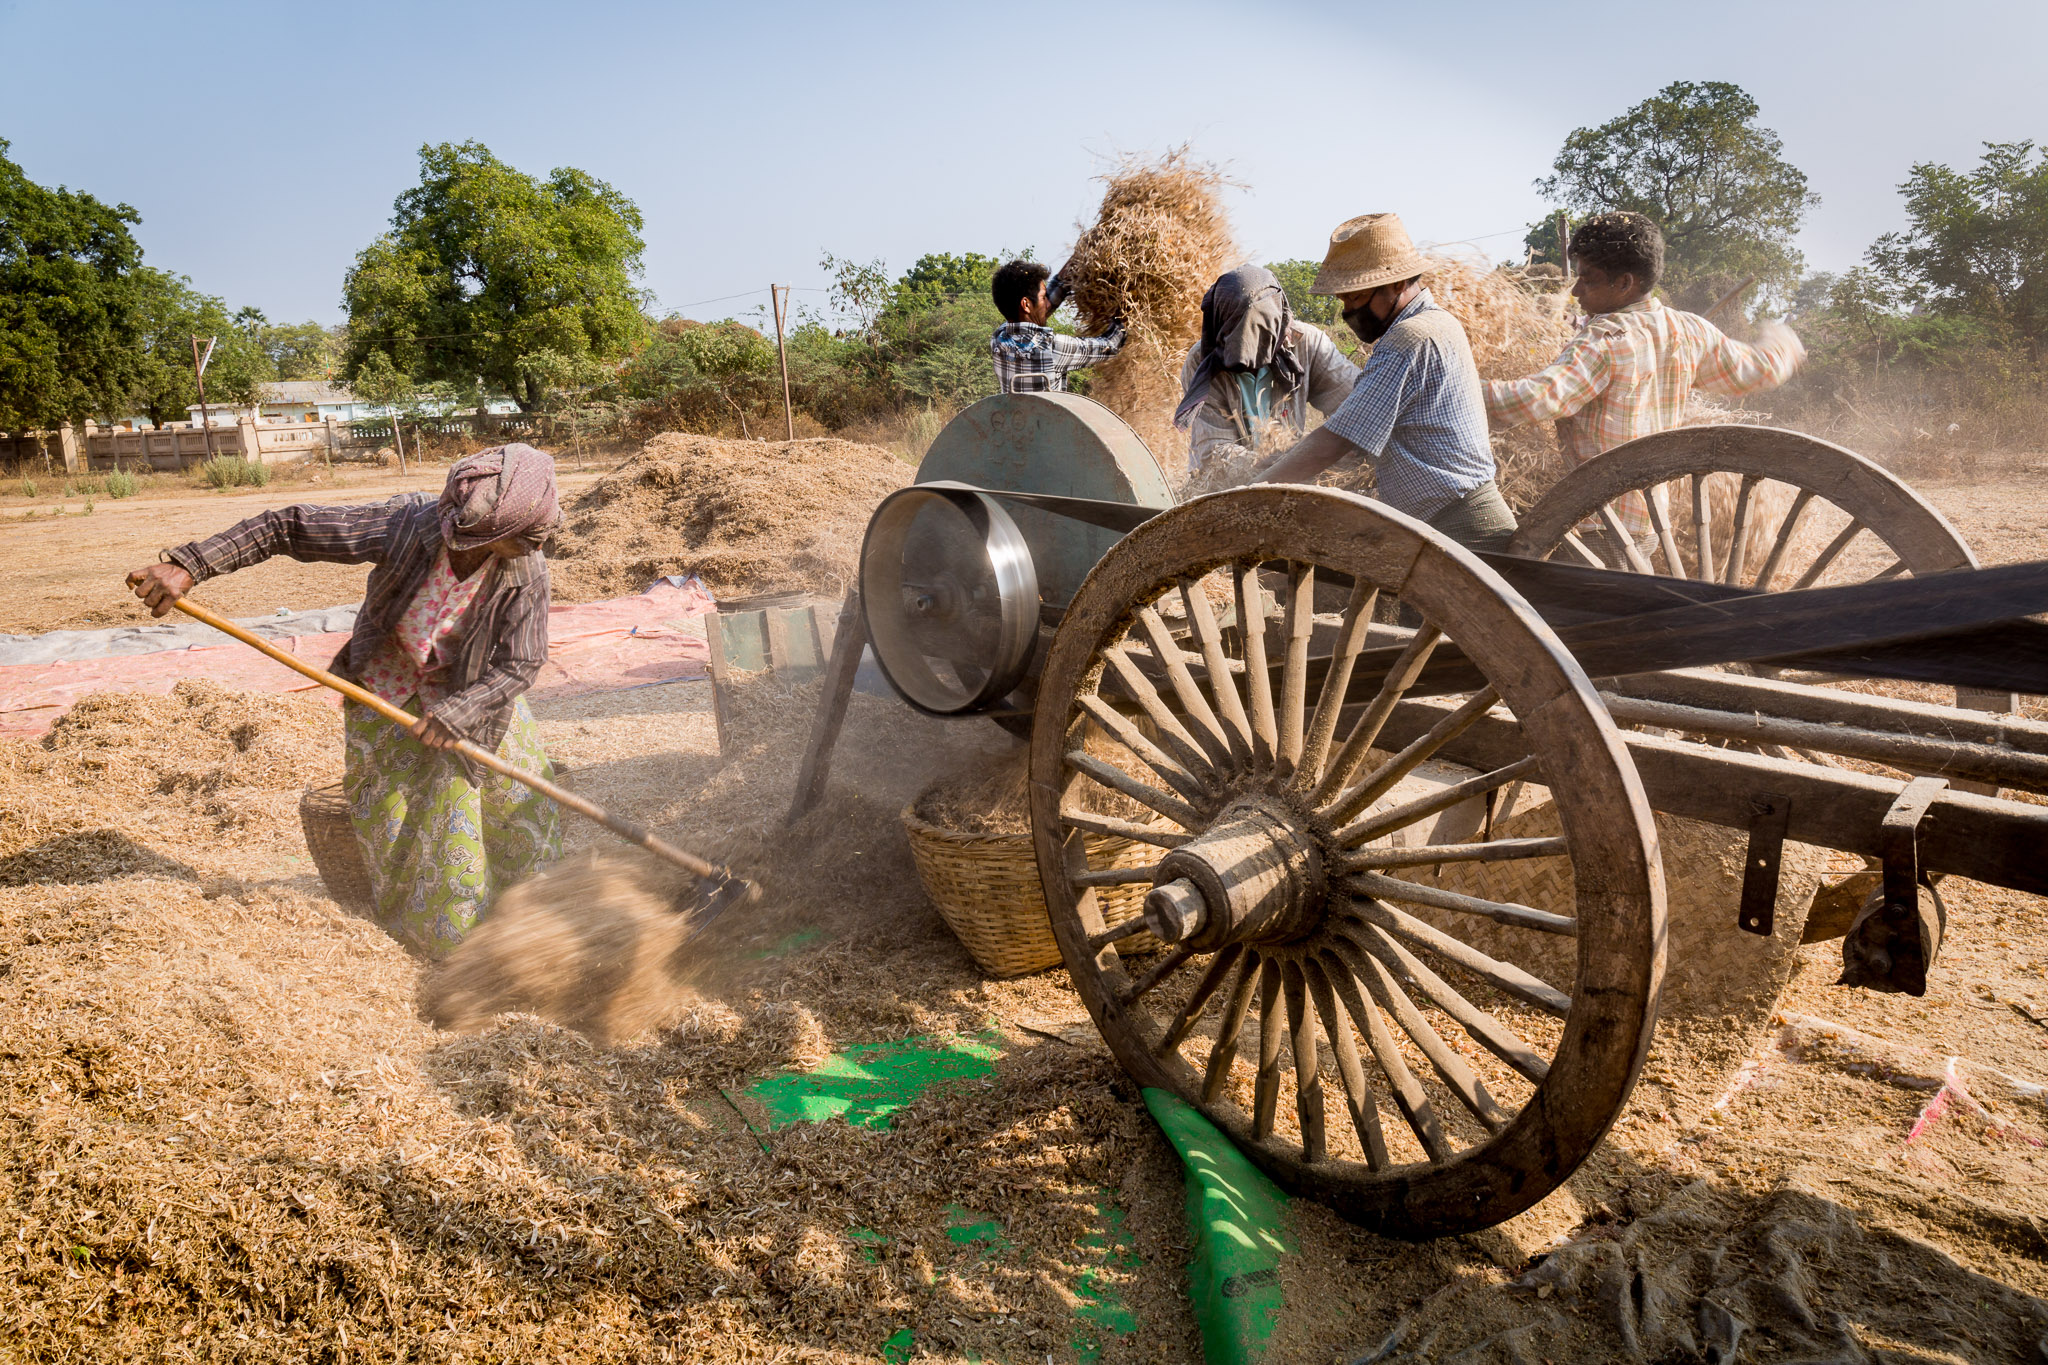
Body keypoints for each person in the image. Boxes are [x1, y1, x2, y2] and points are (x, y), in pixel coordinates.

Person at [125, 443, 566, 958]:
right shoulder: (405, 525)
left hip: (475, 693)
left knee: (523, 809)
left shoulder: (527, 567)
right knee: (424, 834)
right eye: (507, 542)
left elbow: (521, 663)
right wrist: (190, 564)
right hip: (385, 687)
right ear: (464, 529)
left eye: (522, 543)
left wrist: (461, 711)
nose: (518, 551)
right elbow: (286, 526)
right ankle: (454, 950)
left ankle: (535, 926)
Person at [1485, 210, 1805, 560]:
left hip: (1599, 528)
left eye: (1587, 279)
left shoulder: (1603, 342)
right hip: (1649, 528)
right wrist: (1784, 346)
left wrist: (1464, 389)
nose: (1575, 291)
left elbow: (1541, 399)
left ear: (1624, 283)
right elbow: (1753, 370)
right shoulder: (1689, 330)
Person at [1254, 213, 1516, 552]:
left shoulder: (1409, 338)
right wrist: (1282, 462)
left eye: (1356, 298)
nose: (1348, 311)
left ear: (1396, 284)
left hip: (1459, 526)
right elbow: (1361, 436)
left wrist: (1254, 493)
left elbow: (1336, 440)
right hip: (1457, 517)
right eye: (1344, 300)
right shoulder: (1438, 322)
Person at [1175, 264, 1360, 489]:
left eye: (1260, 337)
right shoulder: (1201, 363)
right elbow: (1214, 453)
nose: (1247, 359)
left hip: (1294, 485)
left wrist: (1338, 448)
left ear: (1279, 322)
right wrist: (1281, 463)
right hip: (1226, 491)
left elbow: (1358, 402)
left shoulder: (1307, 345)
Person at [989, 258, 1125, 394]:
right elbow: (1111, 345)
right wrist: (1126, 309)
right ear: (1026, 304)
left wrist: (1062, 281)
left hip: (1015, 414)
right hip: (1049, 415)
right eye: (1043, 298)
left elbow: (1029, 317)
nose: (1047, 304)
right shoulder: (1050, 347)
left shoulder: (998, 339)